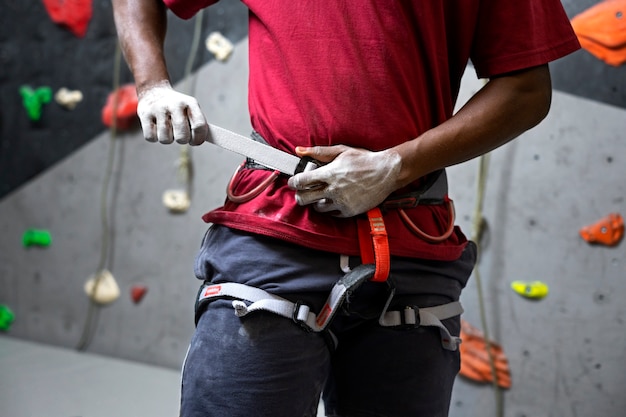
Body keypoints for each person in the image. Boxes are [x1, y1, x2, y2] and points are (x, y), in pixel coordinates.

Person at [112, 1, 580, 416]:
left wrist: (397, 166)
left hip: (411, 251)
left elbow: (526, 90)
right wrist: (153, 85)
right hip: (276, 234)